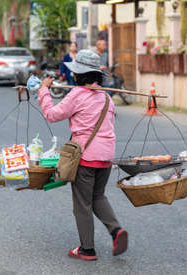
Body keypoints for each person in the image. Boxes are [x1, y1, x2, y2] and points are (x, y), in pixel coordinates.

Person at [37, 49, 128, 261]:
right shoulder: (106, 98)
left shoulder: (77, 95)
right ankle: (116, 231)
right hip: (106, 157)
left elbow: (52, 115)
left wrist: (43, 91)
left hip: (85, 158)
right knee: (98, 196)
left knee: (82, 204)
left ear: (77, 75)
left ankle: (87, 249)